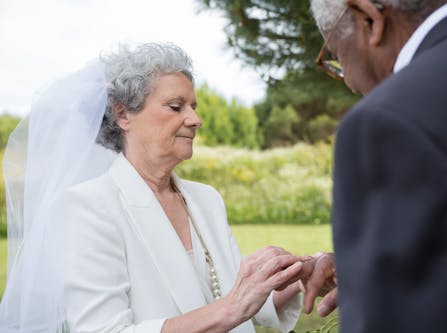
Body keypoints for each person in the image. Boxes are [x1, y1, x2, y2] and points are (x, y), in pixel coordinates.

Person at [0, 42, 304, 333]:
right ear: (122, 115)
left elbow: (235, 297)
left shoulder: (207, 199)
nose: (195, 119)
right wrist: (230, 309)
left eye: (194, 107)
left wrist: (297, 278)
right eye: (176, 106)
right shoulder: (87, 206)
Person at [304, 0, 447, 331]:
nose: (348, 81)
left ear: (369, 19)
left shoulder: (392, 121)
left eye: (337, 57)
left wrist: (384, 287)